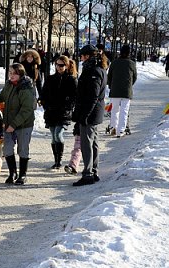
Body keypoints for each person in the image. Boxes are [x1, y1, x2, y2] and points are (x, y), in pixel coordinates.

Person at [72, 44, 107, 186]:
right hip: (92, 111)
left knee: (87, 143)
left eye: (81, 56)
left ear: (87, 56)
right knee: (93, 142)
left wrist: (85, 115)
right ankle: (93, 170)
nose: (80, 58)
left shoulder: (93, 71)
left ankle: (88, 174)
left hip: (90, 113)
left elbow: (92, 96)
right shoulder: (95, 69)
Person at [0, 63, 36, 185]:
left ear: (20, 74)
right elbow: (2, 97)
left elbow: (27, 110)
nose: (11, 75)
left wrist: (14, 124)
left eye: (14, 73)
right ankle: (12, 173)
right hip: (8, 123)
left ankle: (23, 174)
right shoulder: (9, 85)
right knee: (7, 149)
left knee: (23, 149)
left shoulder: (25, 88)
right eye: (10, 73)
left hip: (24, 124)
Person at [40, 55, 77, 169]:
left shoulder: (71, 79)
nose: (59, 67)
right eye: (57, 65)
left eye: (62, 65)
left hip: (63, 112)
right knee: (53, 135)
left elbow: (74, 97)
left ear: (66, 66)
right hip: (51, 112)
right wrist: (45, 105)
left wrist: (68, 107)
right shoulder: (50, 79)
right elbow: (44, 93)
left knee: (58, 134)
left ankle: (59, 160)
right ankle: (56, 160)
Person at [107, 44, 137, 138]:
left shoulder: (114, 63)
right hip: (126, 91)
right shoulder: (132, 64)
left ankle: (113, 127)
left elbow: (109, 76)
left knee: (114, 110)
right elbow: (135, 77)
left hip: (115, 90)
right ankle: (120, 131)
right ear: (129, 53)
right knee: (124, 111)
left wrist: (111, 85)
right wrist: (129, 85)